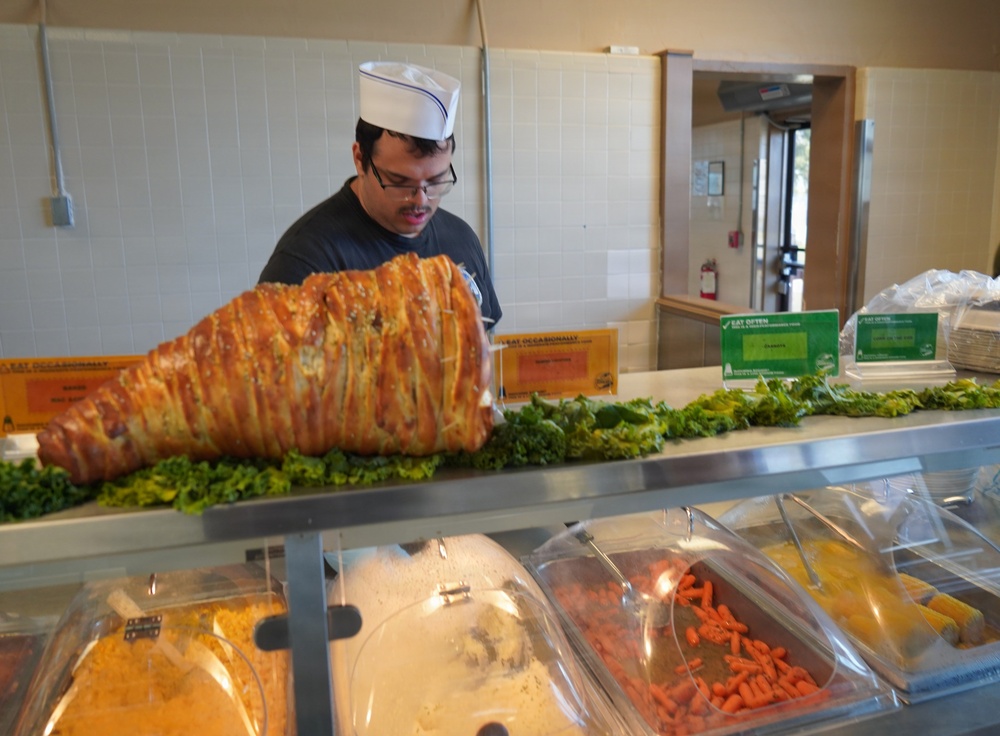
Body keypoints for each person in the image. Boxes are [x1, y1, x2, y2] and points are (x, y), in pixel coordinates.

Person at [258, 61, 502, 327]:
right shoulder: (307, 260)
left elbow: (483, 341)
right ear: (359, 158)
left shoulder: (461, 238)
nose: (420, 200)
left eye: (435, 181)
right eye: (399, 181)